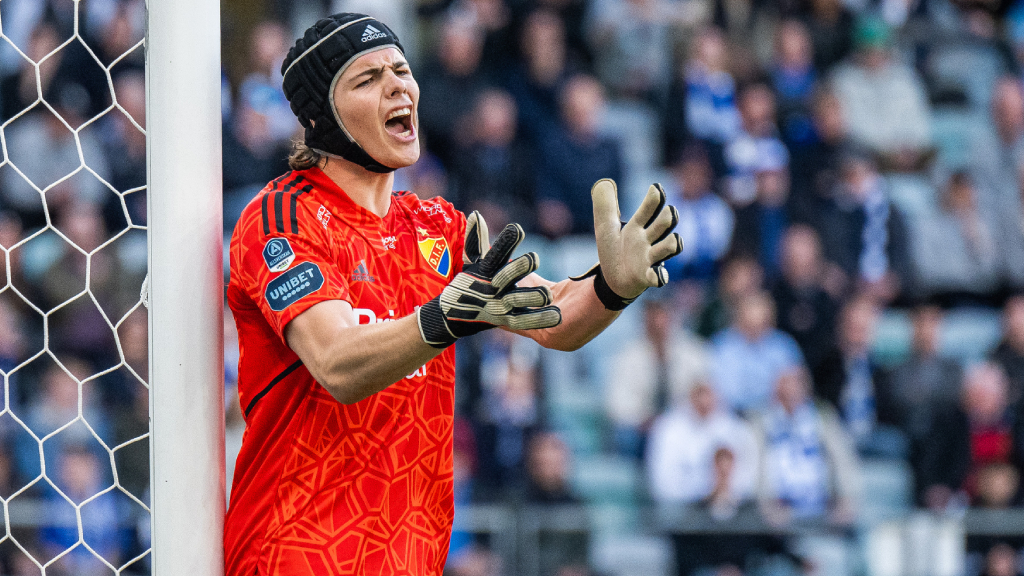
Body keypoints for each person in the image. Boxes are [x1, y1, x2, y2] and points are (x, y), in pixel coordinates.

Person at [223, 13, 683, 576]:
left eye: (401, 69)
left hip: (411, 558)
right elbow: (337, 362)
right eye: (366, 79)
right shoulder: (281, 217)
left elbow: (554, 317)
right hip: (296, 556)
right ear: (319, 116)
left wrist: (612, 286)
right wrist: (441, 318)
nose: (398, 86)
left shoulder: (436, 223)